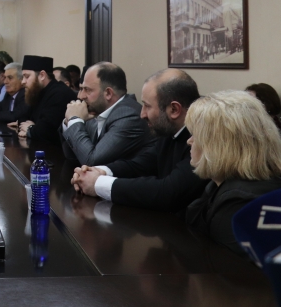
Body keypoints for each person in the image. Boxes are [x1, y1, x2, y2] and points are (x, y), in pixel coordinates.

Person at [71, 69, 209, 212]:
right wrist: (99, 172)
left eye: (147, 106)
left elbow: (168, 192)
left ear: (174, 109)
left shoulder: (202, 139)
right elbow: (140, 164)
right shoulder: (169, 131)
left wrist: (97, 184)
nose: (142, 114)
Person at [184, 90, 281, 254]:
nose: (189, 141)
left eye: (195, 134)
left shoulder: (239, 201)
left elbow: (223, 266)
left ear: (219, 145)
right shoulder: (224, 182)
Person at [60, 62, 154, 166]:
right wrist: (68, 121)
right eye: (81, 89)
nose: (80, 96)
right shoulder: (96, 110)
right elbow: (73, 157)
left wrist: (74, 120)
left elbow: (91, 161)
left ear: (108, 93)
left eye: (87, 90)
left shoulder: (128, 115)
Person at [10, 55, 77, 144]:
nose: (23, 81)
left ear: (42, 75)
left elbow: (46, 132)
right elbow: (22, 118)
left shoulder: (59, 94)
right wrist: (32, 127)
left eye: (27, 76)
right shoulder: (37, 91)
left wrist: (30, 129)